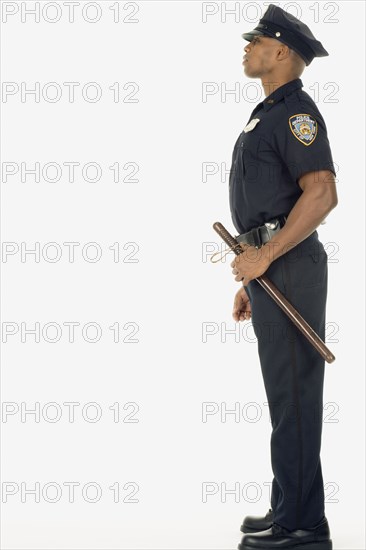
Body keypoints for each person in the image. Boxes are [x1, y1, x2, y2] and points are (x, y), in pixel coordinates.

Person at [227, 5, 338, 550]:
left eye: (256, 42)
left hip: (288, 265)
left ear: (282, 53)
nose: (246, 48)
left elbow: (321, 193)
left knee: (294, 394)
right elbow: (272, 202)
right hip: (273, 268)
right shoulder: (267, 113)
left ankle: (303, 525)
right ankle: (286, 507)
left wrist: (265, 256)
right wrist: (251, 276)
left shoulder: (298, 114)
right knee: (283, 395)